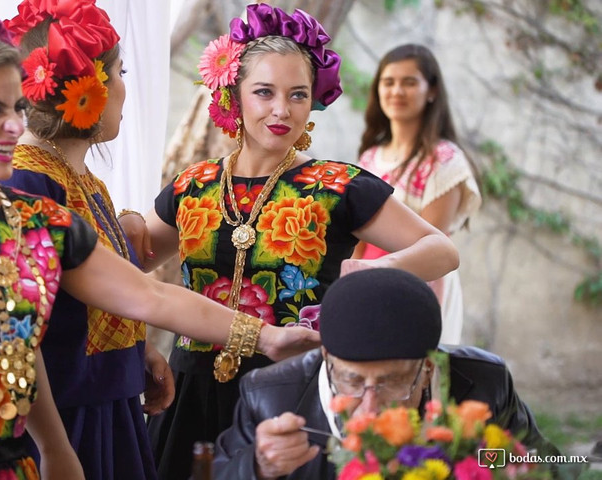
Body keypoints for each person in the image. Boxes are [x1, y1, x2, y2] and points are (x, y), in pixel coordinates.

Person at [0, 2, 321, 477]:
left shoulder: (43, 223)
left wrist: (269, 336)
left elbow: (142, 298)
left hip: (1, 463)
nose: (14, 126)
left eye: (16, 107)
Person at [117, 5, 459, 479]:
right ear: (234, 96)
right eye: (264, 93)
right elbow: (127, 267)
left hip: (292, 397)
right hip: (190, 391)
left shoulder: (338, 185)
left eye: (298, 95)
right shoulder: (190, 186)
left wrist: (376, 274)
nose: (282, 110)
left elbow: (442, 250)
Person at [0, 1, 173, 478]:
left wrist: (138, 351)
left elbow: (91, 300)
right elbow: (21, 325)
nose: (124, 87)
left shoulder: (83, 178)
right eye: (120, 72)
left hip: (105, 404)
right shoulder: (29, 182)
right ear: (89, 89)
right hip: (61, 419)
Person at [212, 268, 561, 479]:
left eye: (392, 382)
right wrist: (257, 468)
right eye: (350, 380)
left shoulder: (485, 384)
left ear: (427, 370)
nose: (370, 407)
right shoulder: (270, 396)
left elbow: (551, 467)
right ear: (326, 358)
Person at [354, 44, 481, 344]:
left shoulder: (445, 160)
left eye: (409, 82)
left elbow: (432, 245)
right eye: (389, 82)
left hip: (422, 283)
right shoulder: (369, 159)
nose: (397, 91)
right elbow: (356, 241)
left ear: (432, 91)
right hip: (366, 281)